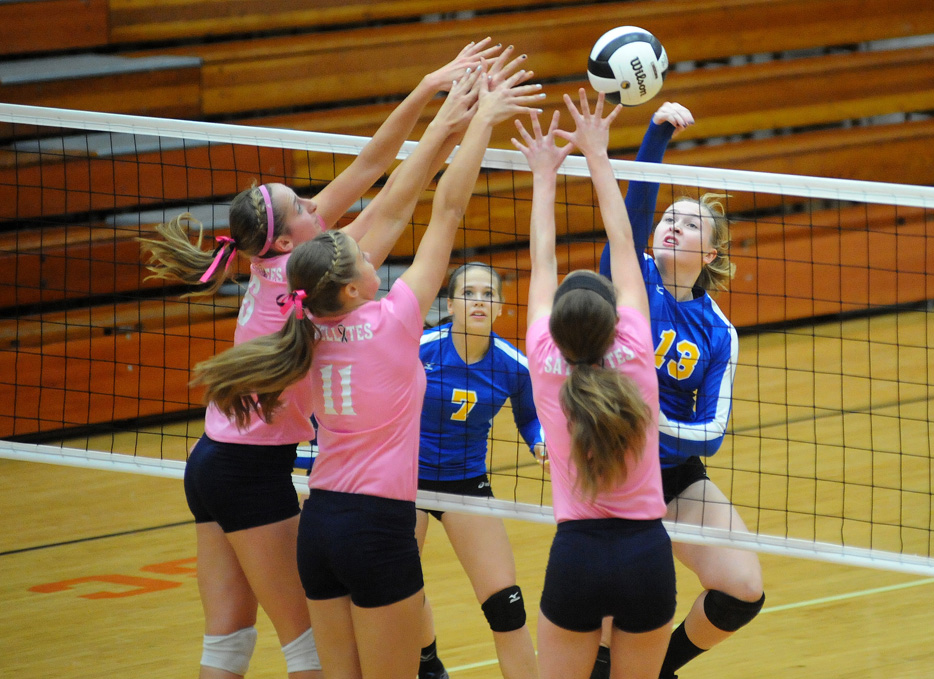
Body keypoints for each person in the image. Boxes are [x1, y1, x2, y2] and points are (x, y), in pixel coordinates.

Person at [138, 39, 503, 679]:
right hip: (253, 476)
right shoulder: (307, 285)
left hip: (213, 463)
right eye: (305, 205)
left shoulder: (282, 259)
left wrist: (429, 88)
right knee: (306, 645)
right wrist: (452, 121)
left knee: (225, 641)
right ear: (286, 237)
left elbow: (370, 165)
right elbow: (405, 198)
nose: (318, 204)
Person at [594, 101, 765, 679]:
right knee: (607, 626)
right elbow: (634, 209)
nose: (673, 224)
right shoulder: (631, 273)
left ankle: (658, 671)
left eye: (691, 224)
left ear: (710, 254)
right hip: (613, 470)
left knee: (742, 589)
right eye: (671, 216)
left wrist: (655, 423)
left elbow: (712, 433)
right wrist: (656, 134)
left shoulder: (718, 331)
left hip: (672, 472)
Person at [513, 89, 676, 679]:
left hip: (576, 556)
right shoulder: (635, 351)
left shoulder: (541, 358)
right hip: (647, 557)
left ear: (555, 326)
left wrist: (543, 174)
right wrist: (599, 157)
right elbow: (625, 243)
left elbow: (541, 261)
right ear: (615, 319)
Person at [416, 261, 545, 679]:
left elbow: (530, 417)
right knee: (398, 593)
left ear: (501, 306)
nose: (478, 300)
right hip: (404, 482)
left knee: (506, 604)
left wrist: (540, 440)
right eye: (468, 293)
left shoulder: (514, 366)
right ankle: (427, 663)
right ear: (450, 304)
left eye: (488, 293)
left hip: (465, 483)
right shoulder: (418, 348)